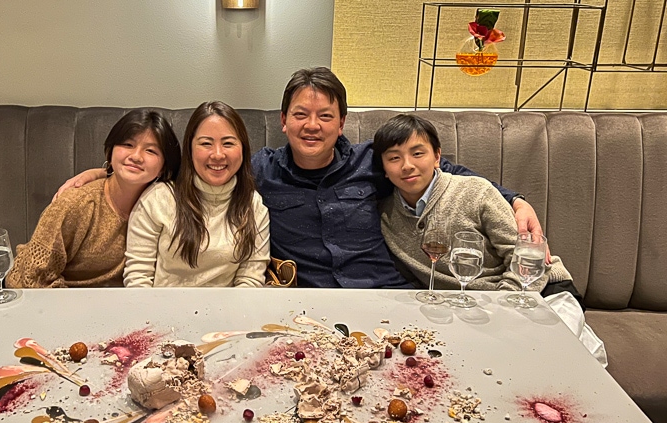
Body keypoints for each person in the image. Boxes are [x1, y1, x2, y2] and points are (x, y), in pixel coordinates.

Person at [56, 67, 543, 288]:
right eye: (301, 114)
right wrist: (105, 170)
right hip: (307, 305)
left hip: (385, 294)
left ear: (342, 122)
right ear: (284, 120)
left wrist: (514, 198)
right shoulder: (258, 171)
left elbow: (437, 168)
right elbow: (191, 169)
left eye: (325, 116)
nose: (312, 125)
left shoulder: (371, 161)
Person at [375, 113, 572, 293]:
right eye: (394, 158)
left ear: (437, 157)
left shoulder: (476, 192)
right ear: (383, 168)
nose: (407, 165)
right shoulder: (385, 215)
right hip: (466, 307)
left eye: (418, 154)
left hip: (542, 288)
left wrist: (503, 305)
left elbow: (525, 256)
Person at [7, 109, 180, 288]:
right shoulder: (76, 204)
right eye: (128, 145)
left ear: (163, 167)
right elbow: (28, 278)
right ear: (110, 152)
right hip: (53, 301)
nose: (136, 156)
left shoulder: (163, 206)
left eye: (150, 150)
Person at [123, 101, 270, 287]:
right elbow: (138, 279)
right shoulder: (158, 199)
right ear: (190, 149)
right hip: (161, 311)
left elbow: (250, 280)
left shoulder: (253, 205)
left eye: (228, 143)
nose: (217, 154)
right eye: (206, 143)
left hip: (227, 313)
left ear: (243, 148)